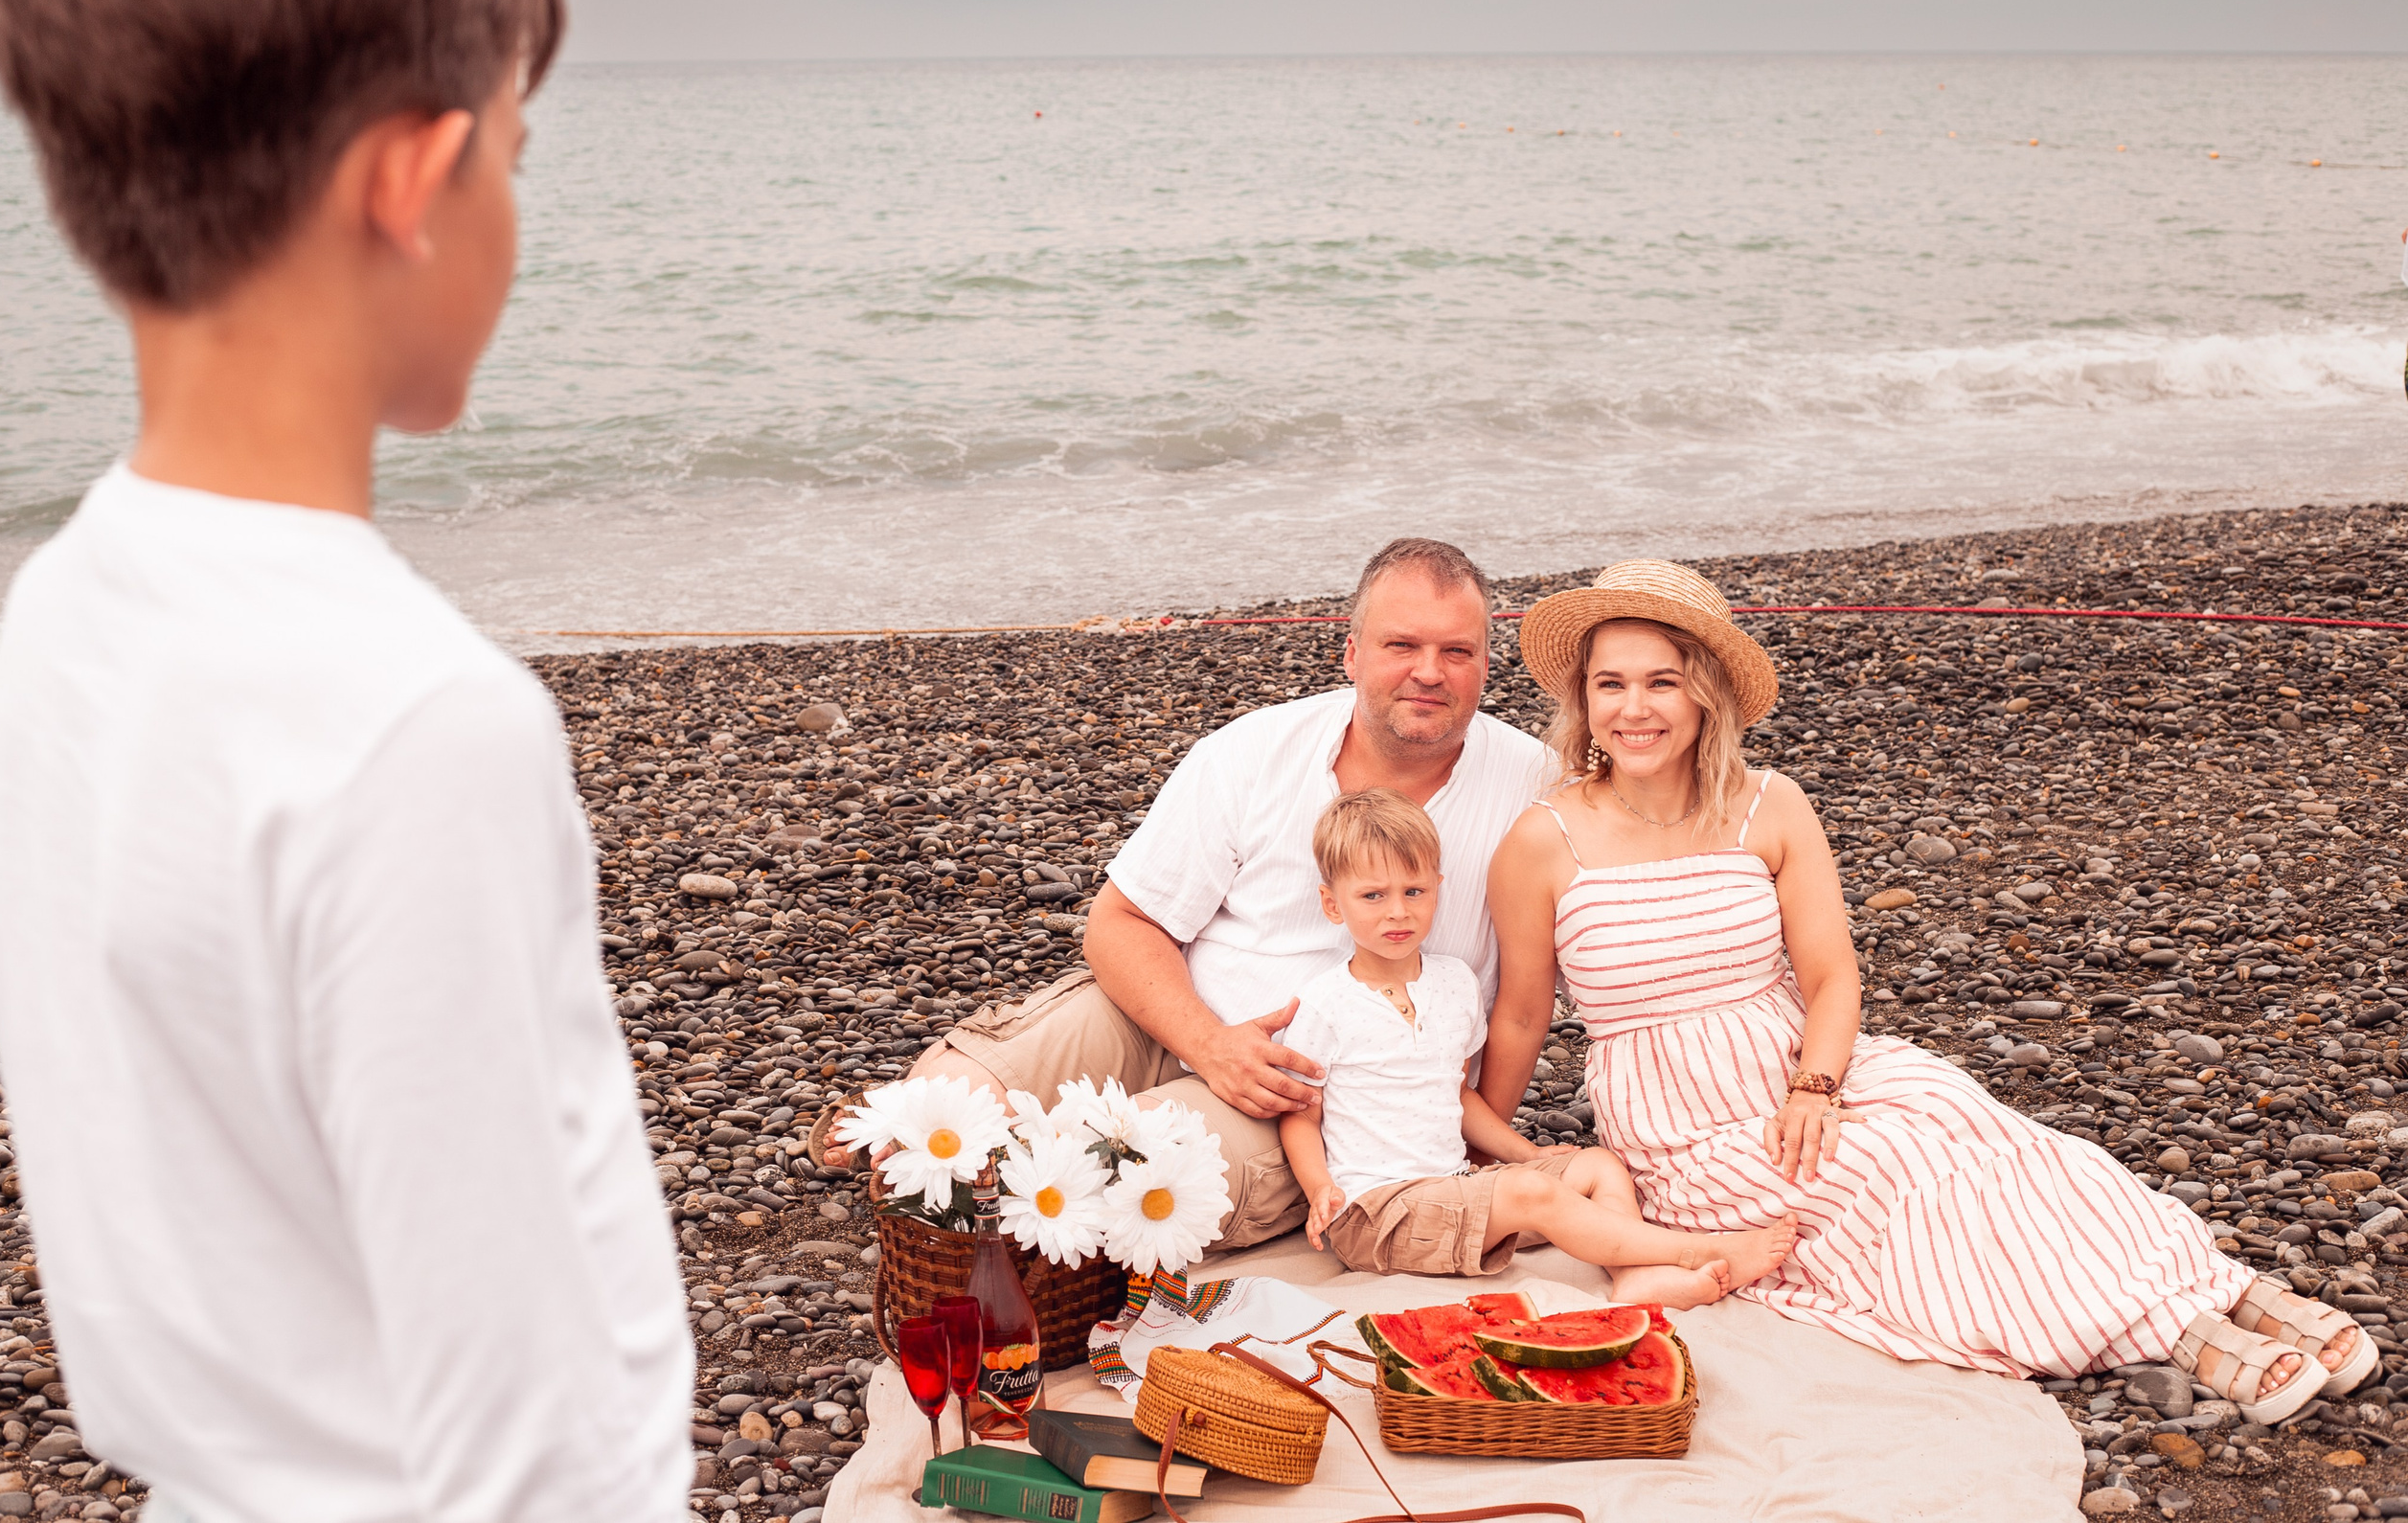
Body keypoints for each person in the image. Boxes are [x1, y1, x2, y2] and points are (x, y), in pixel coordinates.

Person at [0, 0, 693, 1520]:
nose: (516, 201)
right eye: (514, 151)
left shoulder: (67, 605)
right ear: (414, 183)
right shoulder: (416, 723)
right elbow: (533, 1447)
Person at [1488, 558, 2373, 1423]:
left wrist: (1816, 1086)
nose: (1634, 710)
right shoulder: (1544, 838)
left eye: (1662, 683)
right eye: (1611, 685)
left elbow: (1831, 975)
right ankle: (2180, 1330)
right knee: (1891, 1172)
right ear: (1584, 699)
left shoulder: (1771, 804)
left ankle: (2234, 1288)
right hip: (1684, 1126)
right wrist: (1485, 1153)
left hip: (1806, 1064)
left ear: (1705, 693)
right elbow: (1524, 1014)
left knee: (1985, 1132)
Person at [826, 538, 1555, 1249]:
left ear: (1486, 663)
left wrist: (1467, 1151)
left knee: (1117, 1182)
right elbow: (1122, 922)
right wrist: (1208, 1044)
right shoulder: (1250, 751)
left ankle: (973, 1216)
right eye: (1403, 645)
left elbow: (1526, 1001)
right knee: (943, 1098)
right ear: (1352, 652)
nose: (1430, 671)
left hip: (1315, 1100)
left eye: (1457, 651)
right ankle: (916, 1168)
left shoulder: (1535, 789)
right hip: (1167, 1015)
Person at [1279, 788, 1796, 1298]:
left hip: (1457, 1188)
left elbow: (1456, 1098)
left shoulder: (1454, 983)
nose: (1397, 912)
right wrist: (1320, 1186)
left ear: (1437, 887)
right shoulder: (1326, 1003)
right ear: (1332, 903)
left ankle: (1636, 1276)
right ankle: (1691, 1251)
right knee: (1530, 1191)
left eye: (1413, 892)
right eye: (1373, 896)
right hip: (1378, 1213)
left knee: (1598, 1165)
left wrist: (1526, 1153)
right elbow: (1301, 1113)